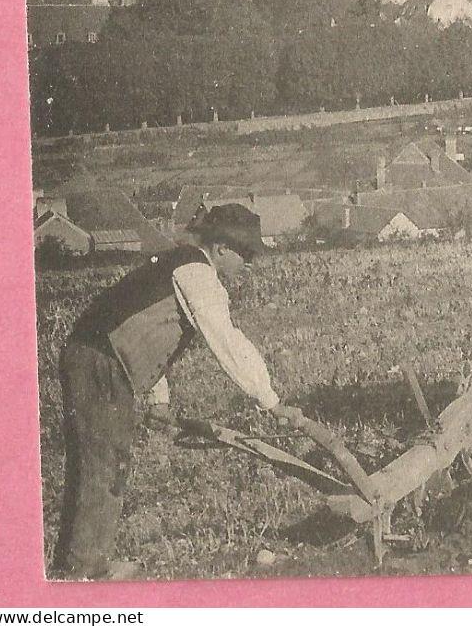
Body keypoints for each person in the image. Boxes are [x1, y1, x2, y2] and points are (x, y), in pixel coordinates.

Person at [52, 203, 300, 580]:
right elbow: (225, 340)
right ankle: (86, 572)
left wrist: (159, 397)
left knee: (98, 461)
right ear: (220, 248)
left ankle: (79, 563)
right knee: (103, 462)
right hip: (100, 362)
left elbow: (148, 330)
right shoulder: (197, 273)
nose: (248, 263)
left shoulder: (180, 265)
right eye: (245, 253)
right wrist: (272, 401)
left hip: (97, 357)